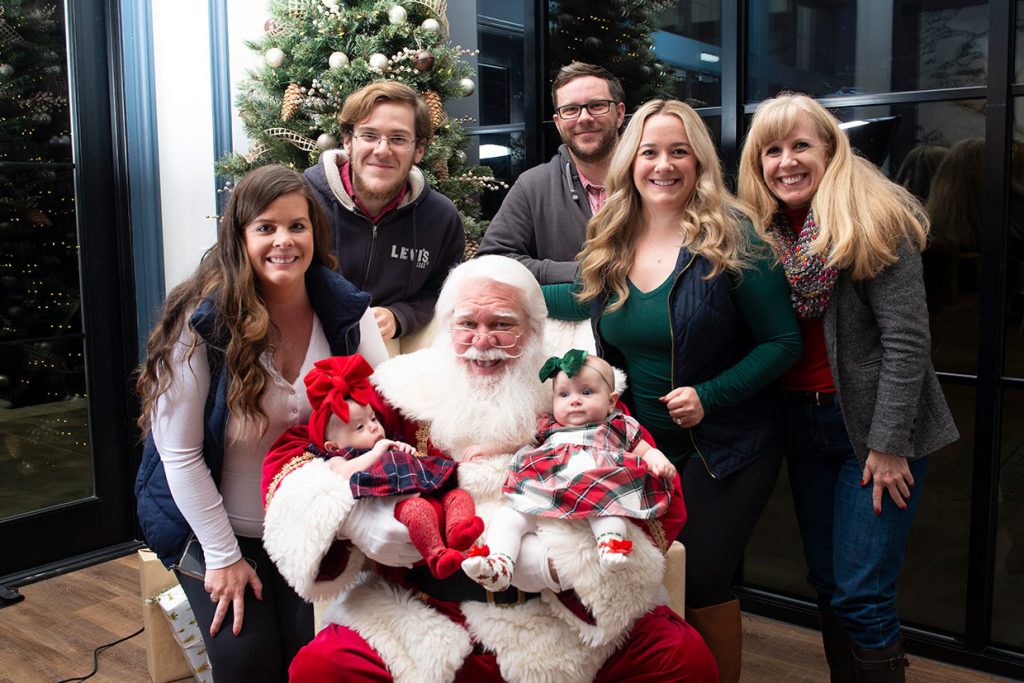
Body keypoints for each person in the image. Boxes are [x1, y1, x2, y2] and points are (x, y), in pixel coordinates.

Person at [260, 255, 719, 682]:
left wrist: (567, 559)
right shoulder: (403, 392)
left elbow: (662, 496)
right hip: (428, 608)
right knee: (321, 668)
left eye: (503, 325)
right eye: (467, 324)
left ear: (536, 331)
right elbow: (296, 451)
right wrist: (356, 517)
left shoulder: (575, 393)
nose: (483, 341)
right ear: (446, 328)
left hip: (559, 611)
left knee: (685, 660)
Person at [543, 99, 803, 682]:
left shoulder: (736, 238)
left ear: (699, 161)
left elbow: (784, 343)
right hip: (641, 450)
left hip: (726, 446)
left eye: (678, 151)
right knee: (646, 576)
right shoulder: (612, 236)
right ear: (631, 160)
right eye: (650, 151)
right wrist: (495, 298)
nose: (663, 165)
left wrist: (711, 394)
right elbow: (584, 300)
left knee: (705, 575)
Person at [133, 165, 389, 683]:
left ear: (315, 233)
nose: (284, 241)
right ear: (239, 237)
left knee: (311, 658)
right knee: (247, 661)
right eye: (266, 228)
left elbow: (386, 405)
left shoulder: (344, 312)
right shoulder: (199, 321)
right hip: (215, 530)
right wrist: (223, 557)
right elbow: (178, 455)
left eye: (298, 226)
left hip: (310, 526)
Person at [737, 92, 960, 682]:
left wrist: (889, 445)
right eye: (772, 150)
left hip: (875, 431)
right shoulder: (763, 235)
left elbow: (907, 343)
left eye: (801, 145)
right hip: (804, 427)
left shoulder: (874, 219)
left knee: (862, 591)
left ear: (831, 150)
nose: (786, 161)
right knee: (830, 583)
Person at [462, 349, 675, 589]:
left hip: (596, 486)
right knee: (509, 516)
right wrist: (489, 448)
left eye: (586, 392)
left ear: (611, 401)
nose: (574, 400)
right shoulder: (548, 426)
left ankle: (611, 546)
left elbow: (644, 449)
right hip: (547, 488)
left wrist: (658, 461)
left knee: (608, 511)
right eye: (563, 394)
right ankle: (500, 564)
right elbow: (517, 440)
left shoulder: (617, 424)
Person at [266, 354, 483, 579]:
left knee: (457, 496)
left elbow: (414, 455)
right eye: (360, 427)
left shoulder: (389, 438)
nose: (373, 428)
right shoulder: (342, 458)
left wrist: (406, 450)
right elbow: (341, 472)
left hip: (426, 487)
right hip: (401, 502)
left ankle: (459, 530)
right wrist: (377, 452)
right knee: (418, 512)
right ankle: (438, 555)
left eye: (373, 419)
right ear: (332, 446)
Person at [305, 81, 465, 340]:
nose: (382, 150)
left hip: (390, 351)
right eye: (369, 135)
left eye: (398, 139)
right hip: (308, 343)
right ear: (348, 141)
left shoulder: (441, 218)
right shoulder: (302, 201)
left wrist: (400, 315)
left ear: (419, 150)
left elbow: (442, 291)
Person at [477, 62, 626, 284]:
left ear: (620, 114)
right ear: (558, 123)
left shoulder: (652, 180)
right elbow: (491, 262)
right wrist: (579, 273)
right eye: (570, 110)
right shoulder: (533, 186)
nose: (584, 118)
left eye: (596, 105)